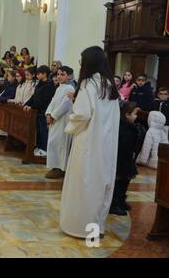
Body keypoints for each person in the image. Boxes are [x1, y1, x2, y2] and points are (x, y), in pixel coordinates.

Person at [60, 46, 121, 239]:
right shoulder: (109, 84)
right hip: (106, 143)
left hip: (88, 140)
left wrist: (69, 127)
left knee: (84, 183)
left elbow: (82, 114)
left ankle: (80, 227)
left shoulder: (88, 83)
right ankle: (97, 228)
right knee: (100, 183)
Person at [110, 102, 146, 216]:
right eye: (135, 114)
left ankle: (121, 200)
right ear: (127, 115)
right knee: (119, 181)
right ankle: (114, 204)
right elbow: (123, 145)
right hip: (121, 160)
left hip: (128, 159)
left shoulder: (131, 127)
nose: (136, 117)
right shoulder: (123, 128)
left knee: (125, 181)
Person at [45, 66, 75, 179]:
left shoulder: (70, 88)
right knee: (53, 142)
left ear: (70, 76)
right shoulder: (59, 88)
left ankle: (61, 168)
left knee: (60, 144)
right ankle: (54, 165)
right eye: (58, 74)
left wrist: (53, 116)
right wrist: (48, 113)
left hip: (62, 121)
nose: (59, 76)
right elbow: (52, 102)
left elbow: (66, 105)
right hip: (54, 120)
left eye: (63, 74)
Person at [24, 66, 57, 157]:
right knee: (38, 131)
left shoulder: (49, 86)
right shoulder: (39, 84)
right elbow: (34, 97)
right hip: (37, 111)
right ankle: (39, 147)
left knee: (43, 131)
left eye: (39, 74)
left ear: (45, 74)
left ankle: (44, 149)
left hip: (44, 111)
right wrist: (27, 104)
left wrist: (32, 107)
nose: (37, 75)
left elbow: (44, 101)